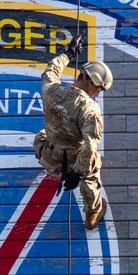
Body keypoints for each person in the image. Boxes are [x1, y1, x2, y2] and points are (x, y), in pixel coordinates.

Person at [32, 37, 113, 231]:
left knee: (41, 134)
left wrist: (68, 54)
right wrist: (76, 174)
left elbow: (50, 71)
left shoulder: (51, 91)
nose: (98, 94)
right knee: (92, 165)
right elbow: (90, 146)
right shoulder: (89, 109)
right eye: (99, 89)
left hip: (51, 158)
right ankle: (93, 213)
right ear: (92, 83)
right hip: (73, 164)